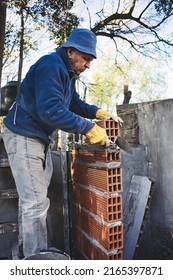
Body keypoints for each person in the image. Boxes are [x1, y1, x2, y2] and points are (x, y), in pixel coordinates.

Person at [2, 28, 122, 258]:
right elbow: (51, 111)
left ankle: (26, 250)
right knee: (35, 204)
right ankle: (37, 261)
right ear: (71, 52)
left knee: (33, 200)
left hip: (38, 139)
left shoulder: (66, 74)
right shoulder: (51, 65)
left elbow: (73, 104)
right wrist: (88, 128)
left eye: (90, 60)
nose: (88, 64)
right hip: (24, 134)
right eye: (85, 58)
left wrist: (97, 112)